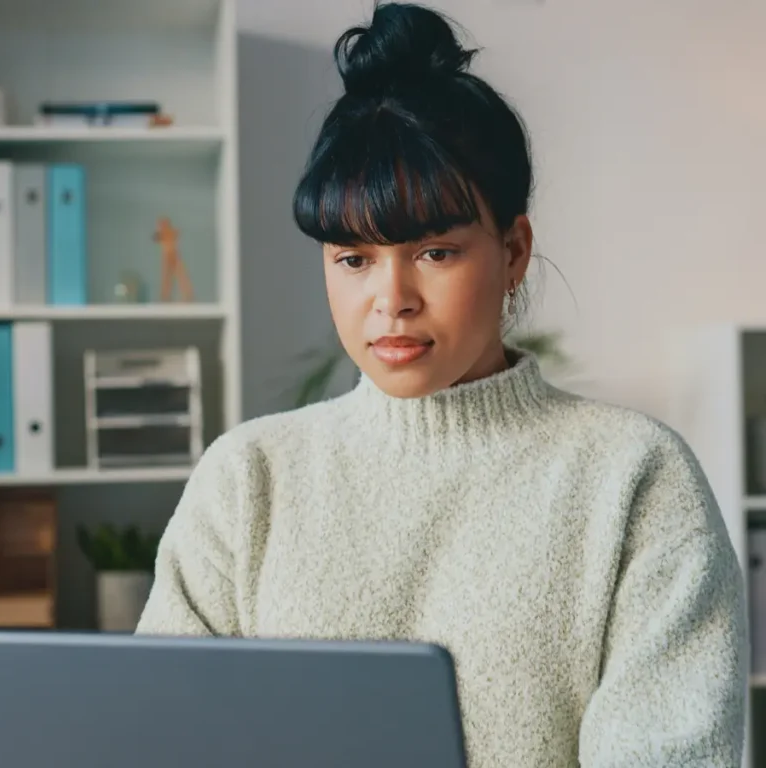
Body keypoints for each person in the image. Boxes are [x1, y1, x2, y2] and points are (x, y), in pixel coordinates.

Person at [135, 3, 749, 766]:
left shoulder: (634, 478)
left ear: (514, 250)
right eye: (352, 259)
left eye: (434, 252)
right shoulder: (247, 480)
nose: (390, 299)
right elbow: (163, 740)